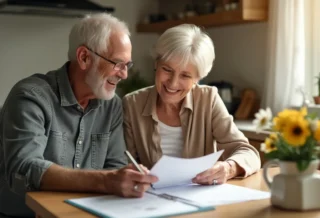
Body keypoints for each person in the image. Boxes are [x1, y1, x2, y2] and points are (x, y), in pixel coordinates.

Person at [0, 13, 157, 218]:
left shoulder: (112, 106)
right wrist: (106, 181)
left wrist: (125, 180)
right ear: (84, 57)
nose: (124, 74)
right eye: (117, 63)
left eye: (127, 65)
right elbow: (24, 169)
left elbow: (115, 166)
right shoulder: (30, 97)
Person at [123, 24, 261, 186]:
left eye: (185, 75)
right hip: (149, 200)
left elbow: (249, 152)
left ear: (197, 78)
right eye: (167, 69)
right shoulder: (132, 104)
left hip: (200, 199)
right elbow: (124, 164)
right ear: (156, 64)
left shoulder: (208, 99)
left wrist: (228, 167)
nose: (173, 83)